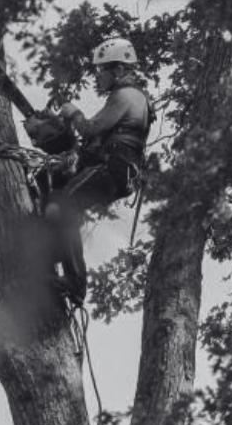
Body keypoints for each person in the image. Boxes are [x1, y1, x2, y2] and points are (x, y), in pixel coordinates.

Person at [45, 37, 153, 303]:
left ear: (119, 69)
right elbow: (96, 141)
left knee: (65, 203)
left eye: (102, 70)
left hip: (115, 167)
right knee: (56, 189)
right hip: (116, 167)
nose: (98, 76)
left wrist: (72, 112)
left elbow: (90, 129)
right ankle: (55, 250)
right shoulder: (130, 98)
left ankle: (75, 282)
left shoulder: (127, 95)